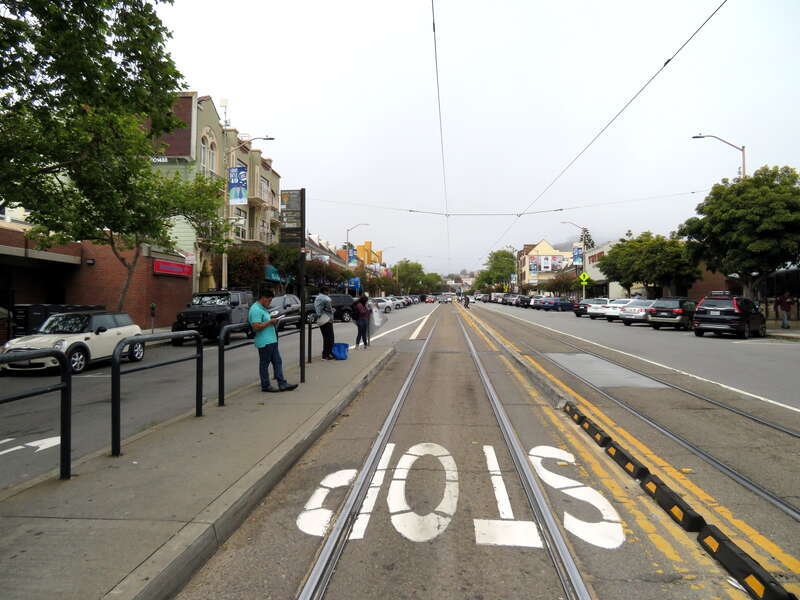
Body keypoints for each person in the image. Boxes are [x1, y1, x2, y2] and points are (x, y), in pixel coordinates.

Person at [249, 289, 297, 393]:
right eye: (269, 301)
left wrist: (272, 320)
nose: (270, 303)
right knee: (264, 364)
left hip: (271, 340)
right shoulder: (255, 309)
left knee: (277, 362)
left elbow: (263, 322)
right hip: (264, 341)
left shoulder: (262, 308)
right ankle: (265, 385)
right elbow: (256, 327)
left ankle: (282, 383)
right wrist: (270, 321)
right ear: (263, 298)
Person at [315, 286, 335, 360]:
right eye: (328, 291)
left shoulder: (317, 298)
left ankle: (325, 353)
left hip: (321, 319)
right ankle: (326, 355)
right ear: (325, 291)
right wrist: (332, 310)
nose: (328, 293)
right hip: (326, 320)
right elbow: (329, 306)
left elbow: (321, 308)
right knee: (330, 338)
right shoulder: (325, 298)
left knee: (326, 337)